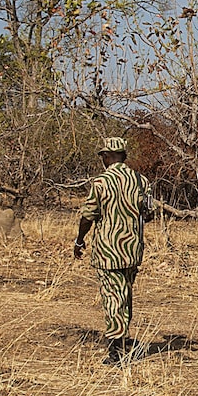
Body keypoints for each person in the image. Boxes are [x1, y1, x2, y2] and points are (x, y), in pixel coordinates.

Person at [74, 137, 154, 367]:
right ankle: (123, 340)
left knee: (112, 298)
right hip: (132, 249)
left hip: (108, 250)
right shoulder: (141, 181)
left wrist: (80, 240)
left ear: (107, 156)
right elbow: (149, 213)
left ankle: (116, 351)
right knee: (125, 295)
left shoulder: (100, 183)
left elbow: (88, 215)